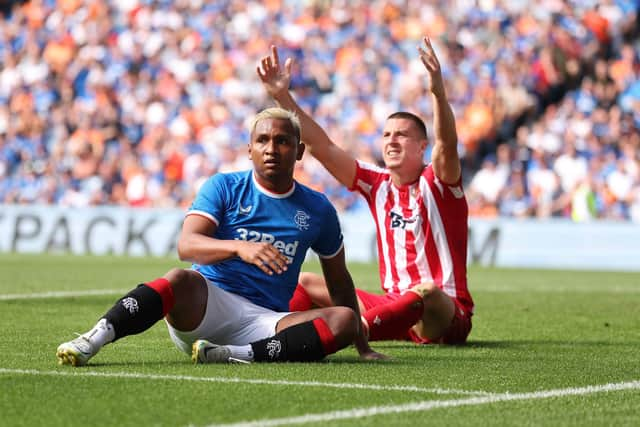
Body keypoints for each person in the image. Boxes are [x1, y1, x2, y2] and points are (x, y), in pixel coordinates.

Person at [56, 107, 384, 366]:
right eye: (263, 141)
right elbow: (187, 245)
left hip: (268, 321)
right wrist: (239, 248)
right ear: (249, 150)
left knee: (343, 319)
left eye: (283, 141)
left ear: (299, 152)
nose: (272, 149)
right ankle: (93, 338)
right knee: (180, 278)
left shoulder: (318, 209)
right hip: (207, 305)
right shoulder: (224, 186)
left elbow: (339, 282)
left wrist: (362, 346)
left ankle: (237, 355)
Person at [258, 37, 473, 345]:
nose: (392, 141)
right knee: (305, 282)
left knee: (426, 292)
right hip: (392, 307)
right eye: (386, 135)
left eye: (402, 135)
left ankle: (336, 337)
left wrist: (438, 92)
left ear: (422, 147)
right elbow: (323, 146)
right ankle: (271, 334)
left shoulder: (437, 181)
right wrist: (283, 97)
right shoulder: (377, 183)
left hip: (442, 314)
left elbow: (447, 145)